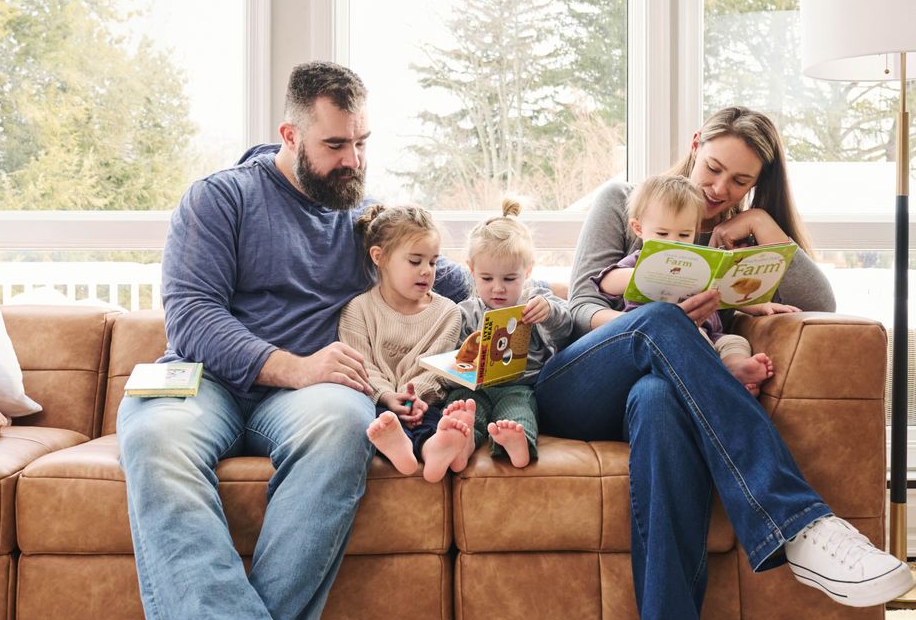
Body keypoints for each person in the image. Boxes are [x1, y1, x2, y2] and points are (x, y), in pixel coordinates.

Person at [115, 62, 466, 620]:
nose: (355, 161)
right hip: (208, 376)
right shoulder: (220, 198)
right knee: (150, 436)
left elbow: (446, 277)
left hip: (309, 396)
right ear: (290, 133)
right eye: (337, 145)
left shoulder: (367, 217)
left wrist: (529, 296)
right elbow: (192, 315)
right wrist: (295, 364)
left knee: (345, 421)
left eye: (363, 142)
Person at [535, 106, 914, 620]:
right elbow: (579, 306)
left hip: (664, 394)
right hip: (580, 382)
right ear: (695, 146)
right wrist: (666, 318)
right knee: (659, 326)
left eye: (741, 182)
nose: (721, 188)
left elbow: (820, 303)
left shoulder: (737, 233)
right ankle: (801, 524)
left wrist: (762, 225)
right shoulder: (626, 200)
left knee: (659, 402)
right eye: (714, 168)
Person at [594, 173, 797, 395]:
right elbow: (606, 282)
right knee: (694, 337)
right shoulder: (641, 260)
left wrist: (759, 306)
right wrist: (646, 273)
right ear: (639, 228)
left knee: (735, 342)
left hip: (712, 335)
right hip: (664, 339)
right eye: (662, 233)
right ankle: (718, 381)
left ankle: (736, 368)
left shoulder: (699, 263)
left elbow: (723, 292)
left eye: (684, 234)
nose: (674, 241)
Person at [337, 203, 475, 482]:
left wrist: (415, 400)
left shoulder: (447, 312)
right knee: (373, 422)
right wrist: (388, 397)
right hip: (377, 401)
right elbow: (360, 366)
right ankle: (398, 446)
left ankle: (433, 448)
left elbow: (436, 370)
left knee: (438, 419)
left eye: (433, 262)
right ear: (380, 257)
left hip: (424, 404)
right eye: (415, 261)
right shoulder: (358, 310)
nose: (427, 271)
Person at [442, 197, 574, 468]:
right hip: (474, 388)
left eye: (509, 279)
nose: (498, 288)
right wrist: (461, 364)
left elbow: (566, 329)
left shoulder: (535, 300)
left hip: (519, 386)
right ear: (472, 271)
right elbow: (450, 359)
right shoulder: (465, 312)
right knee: (461, 407)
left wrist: (548, 312)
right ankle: (462, 442)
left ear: (527, 271)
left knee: (519, 412)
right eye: (487, 279)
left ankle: (518, 440)